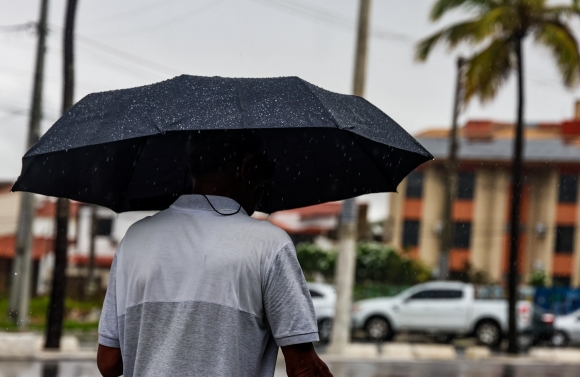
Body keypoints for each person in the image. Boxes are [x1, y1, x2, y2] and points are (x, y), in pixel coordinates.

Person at [97, 130, 333, 377]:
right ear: (248, 169)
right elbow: (303, 368)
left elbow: (109, 362)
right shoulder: (269, 244)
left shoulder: (135, 239)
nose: (265, 182)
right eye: (266, 169)